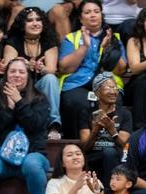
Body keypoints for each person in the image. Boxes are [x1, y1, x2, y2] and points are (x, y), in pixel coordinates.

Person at [0, 57, 50, 194]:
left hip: (32, 154)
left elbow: (36, 124)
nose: (16, 75)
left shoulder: (40, 97)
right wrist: (8, 110)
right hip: (1, 154)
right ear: (6, 74)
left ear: (28, 75)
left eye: (21, 72)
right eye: (12, 71)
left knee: (32, 165)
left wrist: (19, 102)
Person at [58, 0, 127, 139]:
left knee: (113, 100)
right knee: (75, 101)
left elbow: (120, 70)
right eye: (87, 12)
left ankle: (106, 143)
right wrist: (84, 47)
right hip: (77, 83)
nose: (93, 15)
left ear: (102, 15)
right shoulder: (72, 38)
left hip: (106, 83)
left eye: (96, 11)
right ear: (80, 18)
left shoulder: (114, 38)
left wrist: (108, 48)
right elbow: (64, 67)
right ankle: (76, 143)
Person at [3, 6, 62, 139]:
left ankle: (54, 125)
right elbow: (8, 65)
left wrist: (41, 68)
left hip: (39, 86)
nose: (35, 23)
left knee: (51, 79)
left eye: (38, 20)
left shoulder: (48, 41)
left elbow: (51, 69)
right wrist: (26, 65)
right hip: (19, 87)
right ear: (22, 24)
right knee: (14, 74)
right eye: (30, 20)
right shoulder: (13, 41)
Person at [78, 71, 132, 187]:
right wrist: (95, 130)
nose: (113, 91)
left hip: (115, 157)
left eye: (115, 88)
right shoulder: (87, 113)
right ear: (97, 92)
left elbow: (125, 146)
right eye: (108, 88)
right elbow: (85, 147)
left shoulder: (124, 114)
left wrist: (112, 131)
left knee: (110, 153)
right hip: (93, 157)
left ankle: (109, 191)